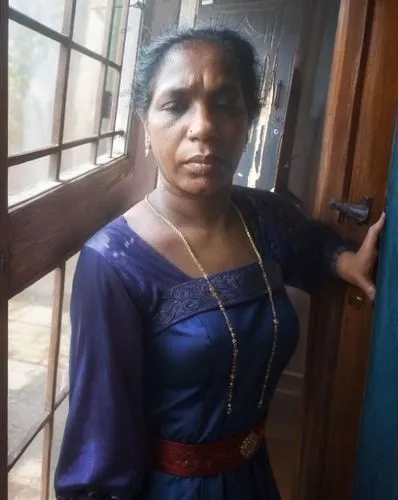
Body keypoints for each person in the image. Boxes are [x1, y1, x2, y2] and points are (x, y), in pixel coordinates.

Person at [55, 28, 384, 500]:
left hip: (255, 479)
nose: (203, 126)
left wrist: (346, 261)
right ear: (145, 125)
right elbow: (97, 440)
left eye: (226, 103)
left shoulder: (261, 217)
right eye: (175, 104)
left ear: (250, 119)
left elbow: (308, 244)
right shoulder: (113, 264)